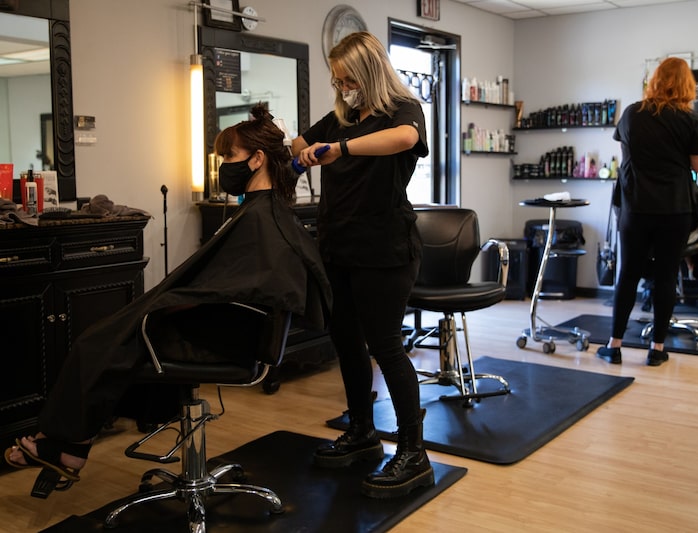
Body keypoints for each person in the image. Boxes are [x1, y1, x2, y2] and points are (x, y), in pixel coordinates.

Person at [4, 103, 332, 495]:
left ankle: (63, 443)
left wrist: (172, 300)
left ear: (257, 159)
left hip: (230, 339)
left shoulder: (262, 218)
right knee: (112, 338)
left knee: (98, 342)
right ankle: (70, 443)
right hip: (237, 332)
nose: (223, 165)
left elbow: (243, 287)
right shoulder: (269, 213)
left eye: (229, 156)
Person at [291, 31, 432, 498]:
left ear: (368, 73)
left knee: (386, 346)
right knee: (346, 343)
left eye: (347, 78)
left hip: (385, 250)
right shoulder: (338, 120)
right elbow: (299, 144)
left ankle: (413, 452)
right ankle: (362, 431)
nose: (342, 86)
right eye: (336, 79)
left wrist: (343, 149)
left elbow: (403, 140)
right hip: (339, 247)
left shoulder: (403, 112)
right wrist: (299, 149)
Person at [597, 57, 698, 367]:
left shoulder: (633, 113)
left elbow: (626, 156)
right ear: (687, 85)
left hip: (636, 208)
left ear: (655, 80)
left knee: (628, 275)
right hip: (674, 209)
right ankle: (657, 349)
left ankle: (614, 345)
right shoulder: (689, 120)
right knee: (665, 277)